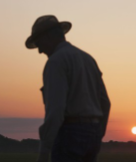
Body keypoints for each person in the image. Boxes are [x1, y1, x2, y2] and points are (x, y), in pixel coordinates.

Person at [25, 15, 111, 162]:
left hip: (69, 133)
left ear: (47, 37)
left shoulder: (56, 62)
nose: (39, 51)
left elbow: (56, 110)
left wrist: (44, 151)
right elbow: (105, 103)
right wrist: (97, 134)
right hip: (93, 133)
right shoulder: (88, 59)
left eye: (39, 43)